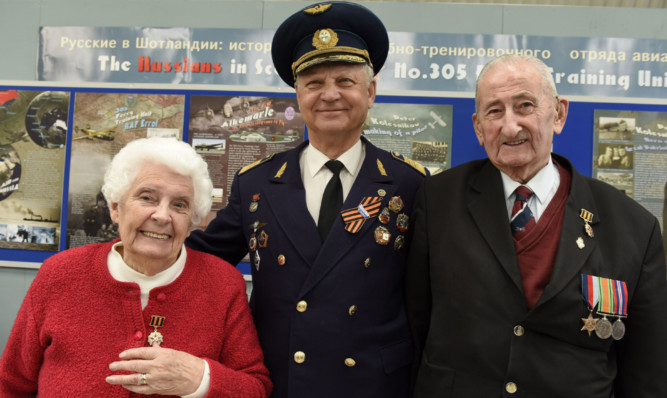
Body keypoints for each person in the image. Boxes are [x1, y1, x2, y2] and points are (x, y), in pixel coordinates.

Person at [185, 2, 427, 397]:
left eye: (345, 81)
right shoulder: (257, 184)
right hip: (283, 381)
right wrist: (119, 257)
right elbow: (202, 261)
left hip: (374, 384)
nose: (330, 95)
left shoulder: (409, 184)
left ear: (371, 92)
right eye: (314, 83)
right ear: (297, 96)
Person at [405, 54, 667, 397]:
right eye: (494, 111)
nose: (510, 126)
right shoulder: (438, 201)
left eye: (525, 105)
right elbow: (414, 327)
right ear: (478, 127)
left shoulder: (633, 227)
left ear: (559, 114)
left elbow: (646, 372)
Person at [0, 137, 272, 397]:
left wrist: (200, 379)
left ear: (191, 222)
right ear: (116, 208)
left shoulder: (223, 284)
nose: (162, 216)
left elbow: (255, 387)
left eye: (179, 205)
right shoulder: (59, 274)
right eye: (147, 198)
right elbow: (11, 385)